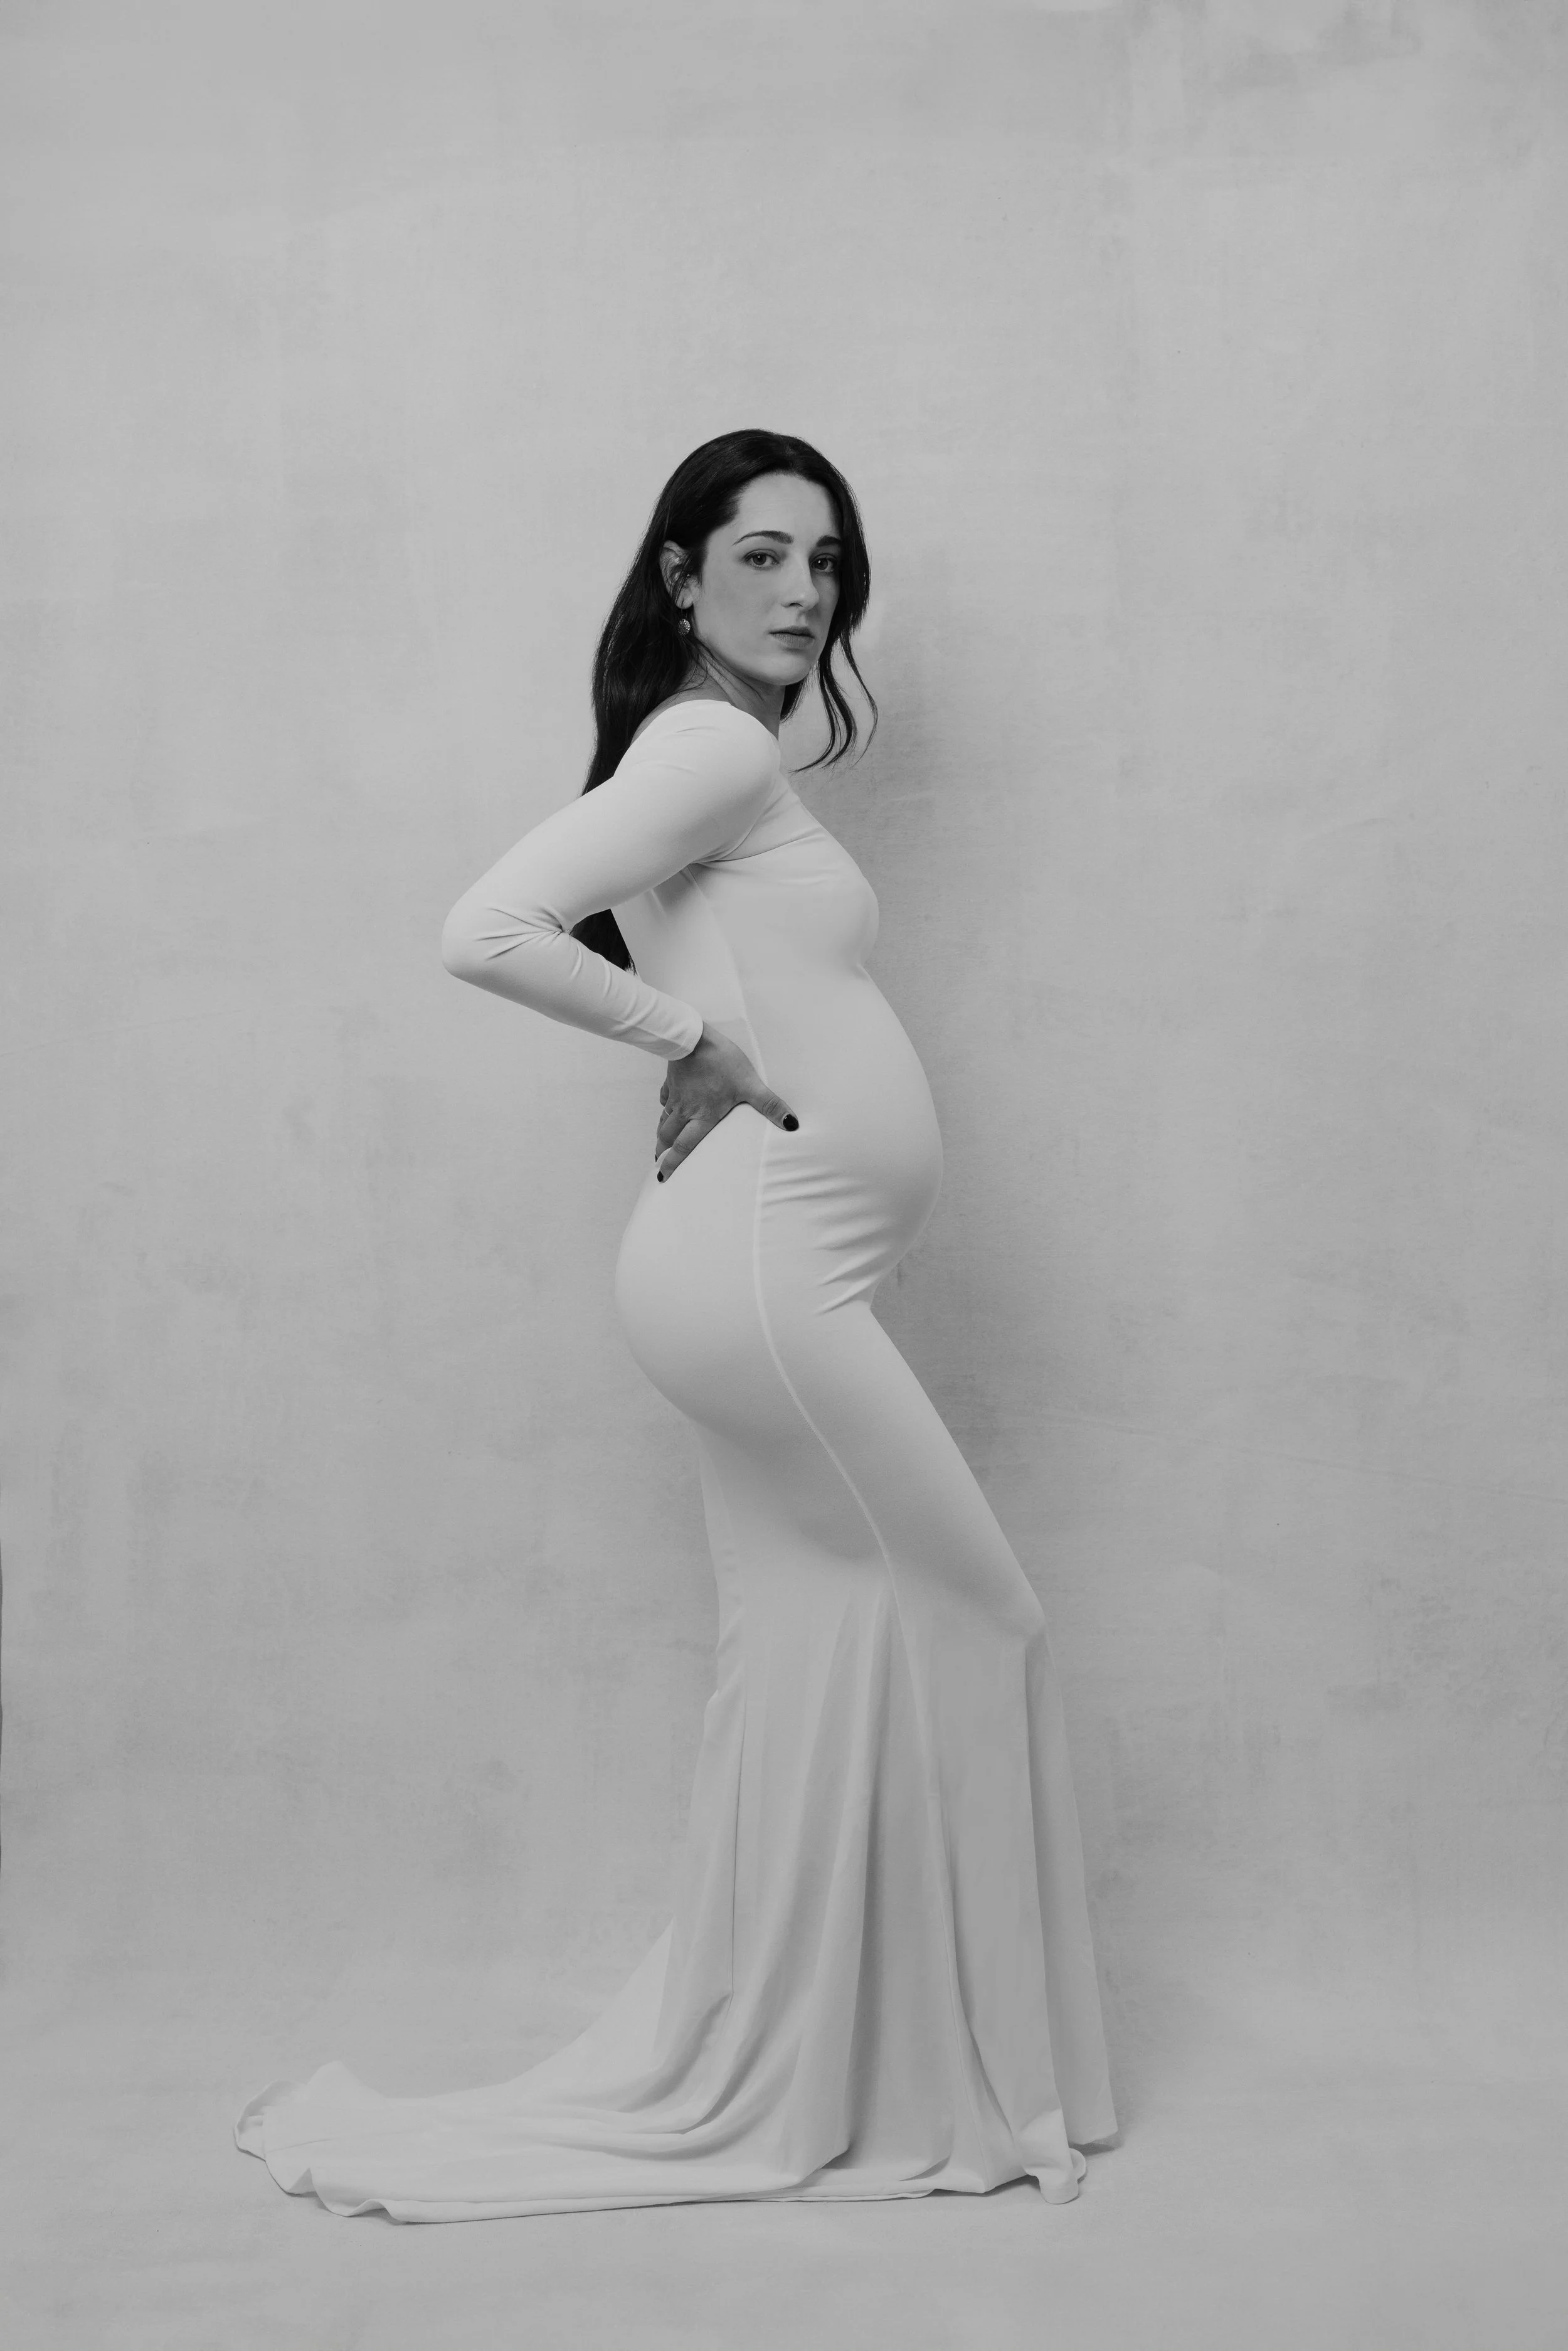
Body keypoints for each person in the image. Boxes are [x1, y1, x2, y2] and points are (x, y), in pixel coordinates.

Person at [235, 428, 1116, 2219]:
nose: (805, 593)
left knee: (824, 1651)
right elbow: (487, 926)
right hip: (762, 1273)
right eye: (766, 555)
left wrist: (712, 1036)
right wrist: (686, 1043)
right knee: (979, 1608)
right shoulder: (710, 743)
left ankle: (854, 2072)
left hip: (768, 1268)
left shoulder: (711, 759)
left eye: (827, 563)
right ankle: (970, 2091)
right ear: (681, 575)